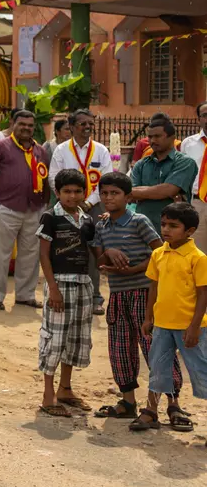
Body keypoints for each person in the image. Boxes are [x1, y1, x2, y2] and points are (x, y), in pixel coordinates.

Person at [90, 172, 182, 420]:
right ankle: (128, 401)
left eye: (115, 193)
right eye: (105, 193)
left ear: (128, 197)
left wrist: (133, 269)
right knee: (120, 349)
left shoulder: (139, 221)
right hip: (118, 295)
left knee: (155, 348)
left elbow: (160, 254)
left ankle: (172, 404)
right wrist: (108, 253)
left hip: (144, 293)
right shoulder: (102, 226)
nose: (109, 198)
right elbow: (99, 260)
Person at [134, 202, 207, 433]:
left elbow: (204, 294)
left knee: (202, 372)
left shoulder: (198, 258)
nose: (165, 229)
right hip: (162, 325)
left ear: (190, 231)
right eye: (163, 224)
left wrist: (194, 327)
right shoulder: (158, 254)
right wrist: (148, 318)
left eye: (173, 226)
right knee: (157, 368)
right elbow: (153, 288)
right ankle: (150, 411)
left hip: (189, 327)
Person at [35, 169, 95, 417]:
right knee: (55, 337)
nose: (72, 196)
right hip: (59, 283)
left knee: (75, 337)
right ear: (58, 193)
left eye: (77, 191)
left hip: (83, 284)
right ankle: (48, 396)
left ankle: (65, 388)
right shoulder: (50, 217)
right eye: (67, 191)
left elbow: (93, 251)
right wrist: (53, 289)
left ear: (84, 193)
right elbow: (43, 255)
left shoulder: (88, 220)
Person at [0, 109, 50, 311]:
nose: (27, 128)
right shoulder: (0, 146)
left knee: (30, 254)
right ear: (13, 123)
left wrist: (44, 204)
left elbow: (44, 179)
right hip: (7, 208)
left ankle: (25, 295)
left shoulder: (40, 151)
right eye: (22, 124)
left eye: (30, 125)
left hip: (34, 209)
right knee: (1, 254)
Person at [49, 109, 112, 314]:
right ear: (73, 126)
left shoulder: (101, 150)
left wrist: (88, 202)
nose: (87, 127)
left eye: (90, 123)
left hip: (93, 208)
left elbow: (106, 179)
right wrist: (69, 200)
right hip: (67, 207)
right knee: (65, 249)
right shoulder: (61, 150)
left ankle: (95, 297)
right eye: (83, 123)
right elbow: (53, 178)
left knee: (93, 251)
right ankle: (66, 293)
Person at [129, 114, 196, 232]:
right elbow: (130, 194)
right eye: (150, 137)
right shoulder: (141, 164)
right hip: (142, 229)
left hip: (174, 230)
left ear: (172, 137)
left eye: (158, 136)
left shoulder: (185, 162)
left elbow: (169, 190)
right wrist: (161, 191)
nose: (153, 140)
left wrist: (142, 192)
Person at [180, 102, 207, 251]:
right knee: (198, 251)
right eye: (205, 115)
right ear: (198, 119)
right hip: (197, 203)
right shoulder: (188, 144)